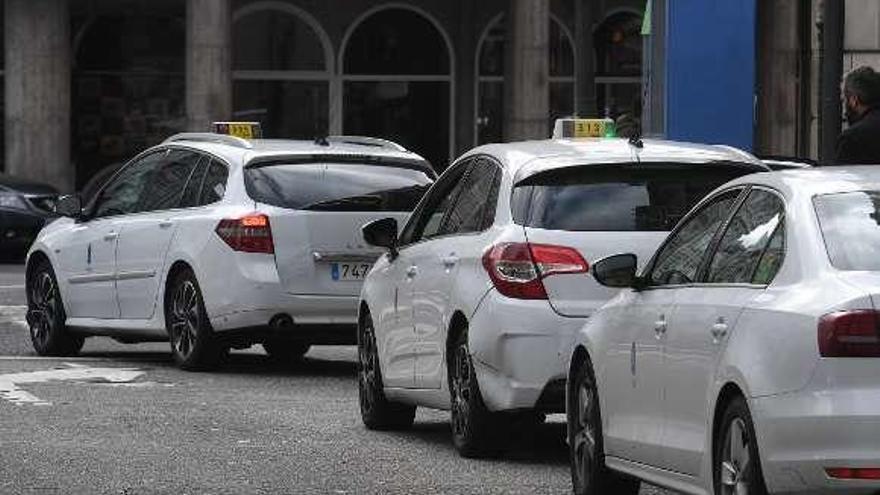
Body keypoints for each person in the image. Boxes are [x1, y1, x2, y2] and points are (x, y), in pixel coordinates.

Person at [835, 66, 880, 165]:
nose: (844, 112)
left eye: (844, 100)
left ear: (854, 100)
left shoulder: (852, 138)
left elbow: (844, 178)